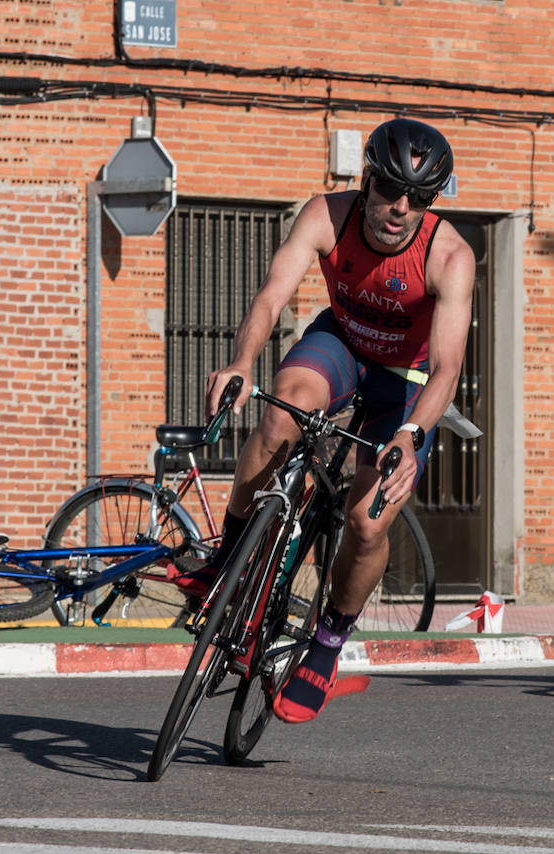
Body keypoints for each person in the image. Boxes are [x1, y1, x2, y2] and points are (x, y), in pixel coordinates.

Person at [176, 118, 475, 723]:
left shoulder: (449, 256)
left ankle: (328, 642)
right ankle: (227, 564)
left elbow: (446, 368)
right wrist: (240, 362)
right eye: (389, 189)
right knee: (281, 411)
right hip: (341, 343)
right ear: (366, 179)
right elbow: (270, 298)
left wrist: (410, 438)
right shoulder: (325, 216)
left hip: (406, 380)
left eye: (418, 198)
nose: (400, 207)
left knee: (367, 521)